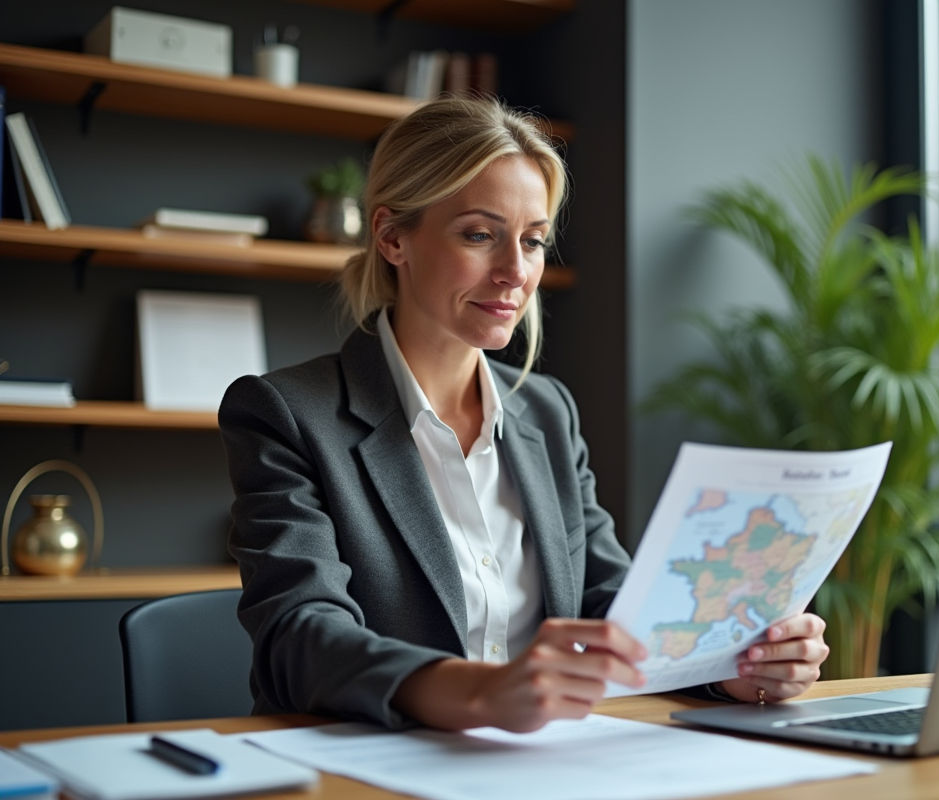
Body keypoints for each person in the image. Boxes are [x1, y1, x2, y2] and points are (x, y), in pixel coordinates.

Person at [219, 96, 829, 733]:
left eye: (533, 241)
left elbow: (608, 603)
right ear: (393, 237)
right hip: (370, 764)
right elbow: (299, 638)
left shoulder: (546, 410)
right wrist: (481, 693)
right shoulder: (286, 413)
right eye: (480, 235)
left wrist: (726, 665)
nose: (515, 272)